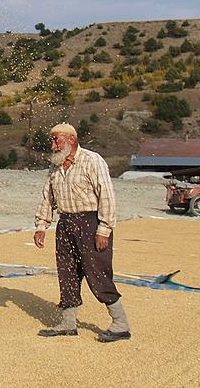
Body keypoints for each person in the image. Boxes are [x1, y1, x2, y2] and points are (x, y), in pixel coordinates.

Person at [33, 123, 131, 342]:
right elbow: (47, 197)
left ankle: (120, 324)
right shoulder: (56, 167)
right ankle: (68, 323)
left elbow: (106, 196)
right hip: (66, 224)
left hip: (91, 223)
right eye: (52, 140)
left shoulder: (92, 160)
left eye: (56, 139)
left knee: (97, 273)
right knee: (67, 272)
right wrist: (41, 226)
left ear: (71, 140)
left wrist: (104, 229)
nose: (53, 144)